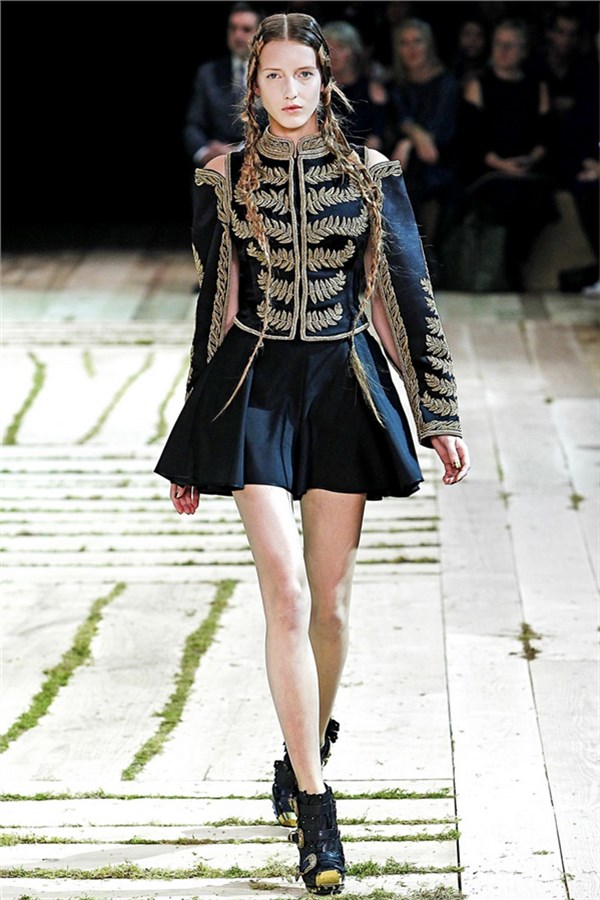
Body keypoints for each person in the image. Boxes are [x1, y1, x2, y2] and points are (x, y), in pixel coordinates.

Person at [155, 12, 470, 895]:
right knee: (287, 595)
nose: (289, 91)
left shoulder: (372, 175)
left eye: (303, 75)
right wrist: (195, 432)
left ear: (325, 81)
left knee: (329, 605)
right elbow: (215, 305)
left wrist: (438, 410)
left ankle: (304, 746)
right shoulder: (224, 179)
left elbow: (404, 296)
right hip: (254, 384)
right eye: (273, 77)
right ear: (251, 86)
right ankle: (317, 807)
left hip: (343, 384)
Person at [458, 17, 559, 291]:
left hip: (528, 168)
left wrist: (531, 159)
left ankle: (513, 266)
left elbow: (547, 134)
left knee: (538, 200)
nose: (502, 51)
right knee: (506, 196)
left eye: (511, 46)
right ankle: (507, 273)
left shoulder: (536, 86)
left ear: (524, 51)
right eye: (498, 44)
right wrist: (501, 164)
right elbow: (473, 139)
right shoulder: (479, 84)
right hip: (489, 169)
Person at [386, 18, 462, 284]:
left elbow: (439, 135)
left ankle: (426, 265)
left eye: (417, 41)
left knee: (415, 180)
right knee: (401, 179)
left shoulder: (447, 84)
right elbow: (397, 120)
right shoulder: (396, 85)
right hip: (411, 162)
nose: (411, 49)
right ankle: (421, 265)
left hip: (443, 159)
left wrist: (410, 139)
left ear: (429, 44)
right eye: (404, 43)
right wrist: (411, 137)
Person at [183, 2, 263, 168]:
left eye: (246, 29)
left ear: (259, 34)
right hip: (216, 165)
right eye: (233, 28)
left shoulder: (271, 74)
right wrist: (205, 152)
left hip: (259, 165)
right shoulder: (208, 73)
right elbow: (194, 125)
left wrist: (238, 152)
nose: (238, 35)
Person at [321, 20, 389, 150]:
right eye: (329, 48)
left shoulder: (372, 90)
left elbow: (376, 140)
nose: (334, 55)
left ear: (354, 51)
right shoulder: (317, 90)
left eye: (340, 47)